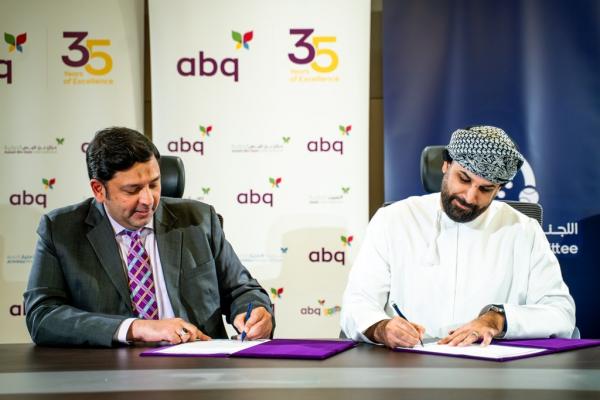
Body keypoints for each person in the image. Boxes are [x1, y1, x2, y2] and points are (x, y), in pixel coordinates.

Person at [24, 127, 274, 347]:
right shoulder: (61, 230)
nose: (148, 200)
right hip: (109, 372)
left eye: (154, 184)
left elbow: (242, 290)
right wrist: (138, 328)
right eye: (132, 190)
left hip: (200, 367)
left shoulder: (199, 220)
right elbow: (42, 316)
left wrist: (255, 312)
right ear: (99, 189)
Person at [340, 125, 575, 348]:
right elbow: (358, 302)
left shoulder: (523, 230)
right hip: (406, 362)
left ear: (499, 188)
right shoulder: (393, 220)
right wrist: (381, 328)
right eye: (464, 178)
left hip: (492, 366)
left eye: (486, 189)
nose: (470, 197)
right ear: (446, 165)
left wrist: (498, 320)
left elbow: (561, 313)